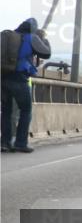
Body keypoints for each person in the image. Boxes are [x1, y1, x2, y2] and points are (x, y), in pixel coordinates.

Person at [1, 18, 51, 153]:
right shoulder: (31, 38)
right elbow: (46, 54)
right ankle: (21, 143)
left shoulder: (7, 36)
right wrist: (44, 38)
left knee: (6, 111)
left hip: (3, 77)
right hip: (19, 78)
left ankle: (4, 143)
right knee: (26, 110)